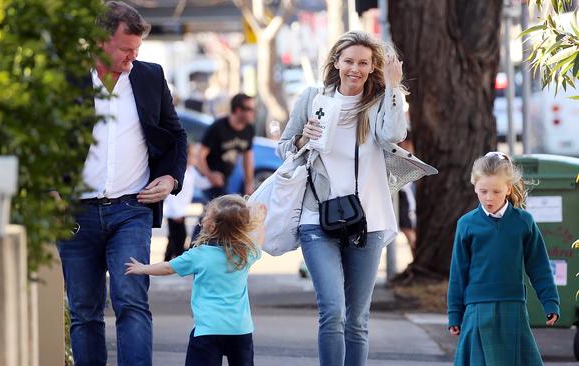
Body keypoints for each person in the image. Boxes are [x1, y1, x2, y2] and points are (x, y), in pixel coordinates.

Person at [277, 31, 436, 366]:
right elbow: (285, 149)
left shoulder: (380, 102)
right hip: (316, 217)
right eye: (349, 61)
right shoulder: (311, 98)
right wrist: (302, 138)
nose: (355, 69)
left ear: (372, 66)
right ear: (337, 62)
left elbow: (392, 135)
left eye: (364, 63)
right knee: (333, 310)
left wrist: (394, 87)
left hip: (369, 220)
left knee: (358, 319)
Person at [56, 2, 187, 365]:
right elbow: (45, 140)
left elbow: (176, 136)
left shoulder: (150, 77)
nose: (133, 56)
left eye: (137, 49)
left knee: (131, 300)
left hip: (132, 210)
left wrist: (171, 177)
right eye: (126, 48)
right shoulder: (66, 79)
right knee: (84, 311)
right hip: (75, 214)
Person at [125, 195, 266, 366]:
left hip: (208, 330)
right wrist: (261, 221)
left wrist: (143, 268)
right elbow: (258, 241)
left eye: (207, 214)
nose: (204, 216)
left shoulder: (199, 255)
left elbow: (168, 267)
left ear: (212, 226)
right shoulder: (244, 253)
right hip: (240, 329)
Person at [447, 152, 560, 365]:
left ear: (508, 189)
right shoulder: (466, 224)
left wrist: (550, 301)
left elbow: (539, 266)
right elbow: (457, 273)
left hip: (513, 306)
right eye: (483, 191)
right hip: (477, 308)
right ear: (474, 187)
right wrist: (455, 313)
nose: (489, 198)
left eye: (496, 191)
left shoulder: (524, 222)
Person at [195, 93, 256, 199]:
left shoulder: (249, 129)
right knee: (223, 209)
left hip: (225, 178)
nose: (253, 113)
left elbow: (248, 158)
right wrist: (210, 175)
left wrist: (249, 184)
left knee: (220, 210)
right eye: (250, 109)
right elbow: (199, 155)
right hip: (208, 178)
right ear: (238, 110)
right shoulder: (218, 127)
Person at [163, 145, 196, 261]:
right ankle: (179, 261)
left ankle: (167, 259)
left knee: (173, 236)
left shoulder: (191, 171)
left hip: (181, 209)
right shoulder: (178, 172)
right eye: (193, 156)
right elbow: (171, 195)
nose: (195, 159)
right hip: (174, 211)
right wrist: (176, 213)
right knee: (180, 236)